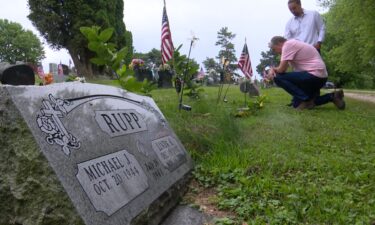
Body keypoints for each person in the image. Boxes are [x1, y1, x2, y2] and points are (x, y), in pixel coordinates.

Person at [265, 36, 345, 110]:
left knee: (277, 77)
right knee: (297, 104)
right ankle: (332, 96)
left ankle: (306, 99)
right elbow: (284, 69)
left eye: (274, 49)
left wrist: (272, 70)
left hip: (313, 75)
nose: (276, 52)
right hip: (320, 77)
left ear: (279, 43)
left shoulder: (287, 45)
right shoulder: (294, 44)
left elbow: (281, 70)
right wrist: (275, 69)